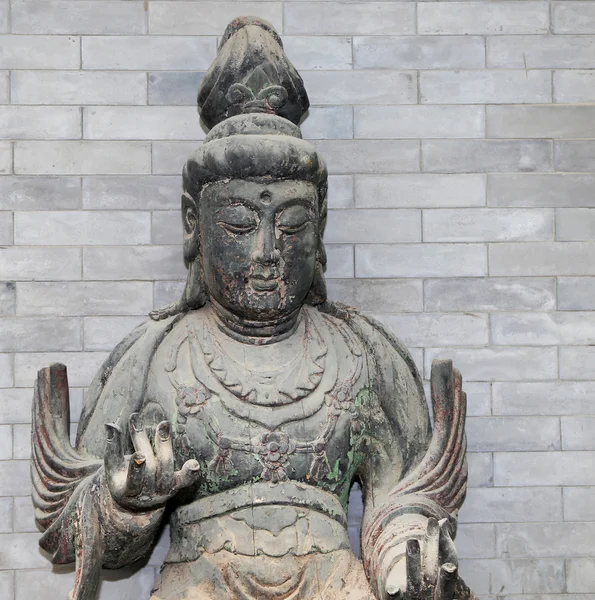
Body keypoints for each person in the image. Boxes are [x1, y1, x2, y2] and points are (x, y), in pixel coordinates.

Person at [31, 17, 475, 600]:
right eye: (240, 224)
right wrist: (124, 500)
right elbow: (71, 526)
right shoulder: (156, 356)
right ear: (195, 225)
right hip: (201, 584)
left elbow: (400, 500)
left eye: (290, 224)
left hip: (334, 584)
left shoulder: (361, 354)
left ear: (319, 231)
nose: (267, 252)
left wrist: (405, 566)